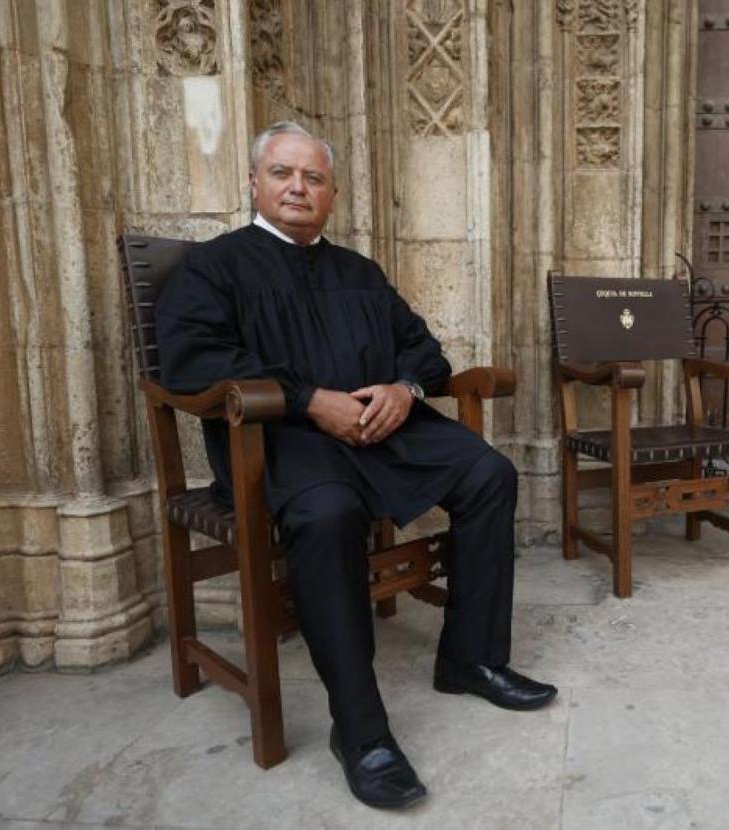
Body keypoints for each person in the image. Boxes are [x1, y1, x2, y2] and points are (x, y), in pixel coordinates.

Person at [155, 121, 556, 810]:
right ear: (254, 183)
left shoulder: (358, 272)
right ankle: (362, 731)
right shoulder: (214, 267)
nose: (298, 188)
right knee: (328, 513)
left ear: (333, 194)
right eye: (283, 173)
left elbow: (423, 350)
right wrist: (310, 402)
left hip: (382, 430)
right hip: (283, 438)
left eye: (313, 178)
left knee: (490, 474)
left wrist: (403, 390)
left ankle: (471, 658)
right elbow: (193, 362)